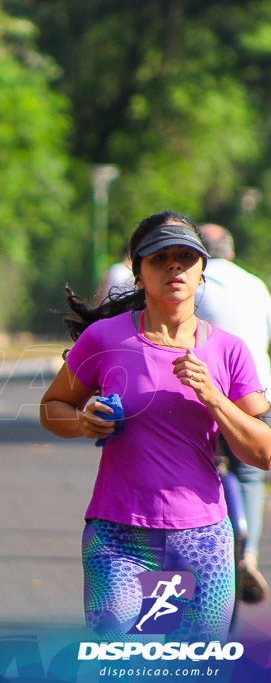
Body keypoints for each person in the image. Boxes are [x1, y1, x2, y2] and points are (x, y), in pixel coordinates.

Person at [39, 211, 271, 641]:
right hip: (120, 537)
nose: (174, 267)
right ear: (138, 273)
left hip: (203, 541)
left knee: (195, 665)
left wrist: (215, 399)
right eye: (159, 257)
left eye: (186, 257)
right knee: (118, 652)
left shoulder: (228, 350)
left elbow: (264, 451)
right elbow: (52, 407)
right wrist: (83, 423)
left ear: (202, 272)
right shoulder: (105, 339)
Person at [195, 223, 271, 604]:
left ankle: (202, 557)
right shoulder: (256, 284)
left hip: (200, 393)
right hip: (256, 393)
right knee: (252, 476)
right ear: (232, 251)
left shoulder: (192, 284)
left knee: (198, 465)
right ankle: (249, 554)